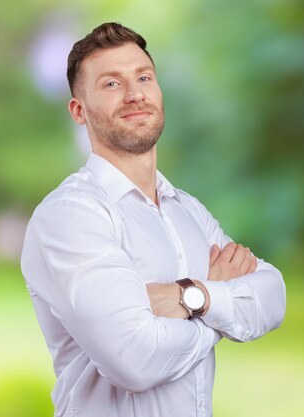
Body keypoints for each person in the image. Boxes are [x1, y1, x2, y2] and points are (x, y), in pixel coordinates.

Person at [20, 22, 286, 417]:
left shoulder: (187, 210)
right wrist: (219, 309)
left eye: (143, 77)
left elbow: (273, 294)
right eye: (111, 84)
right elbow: (134, 360)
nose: (134, 94)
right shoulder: (70, 216)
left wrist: (190, 297)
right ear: (79, 110)